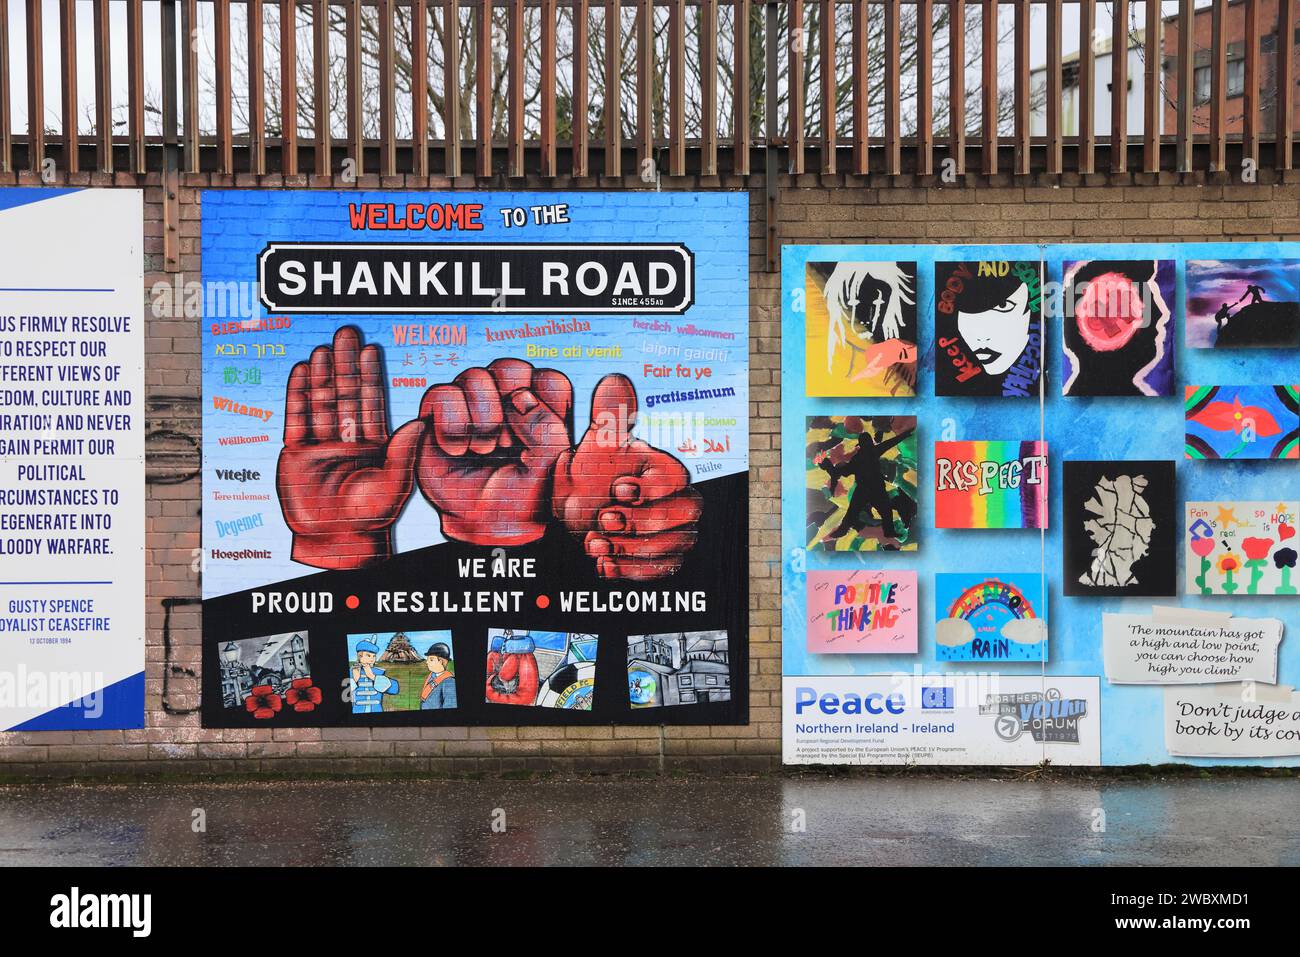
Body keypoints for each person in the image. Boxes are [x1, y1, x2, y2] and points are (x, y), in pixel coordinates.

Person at [350, 638, 399, 714]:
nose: (372, 659)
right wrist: (354, 680)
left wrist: (373, 677)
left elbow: (395, 689)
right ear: (360, 656)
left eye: (374, 656)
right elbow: (343, 695)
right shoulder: (352, 671)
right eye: (368, 656)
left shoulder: (379, 672)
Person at [419, 642, 457, 710]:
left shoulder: (449, 682)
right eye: (427, 659)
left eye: (431, 659)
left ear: (441, 661)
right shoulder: (432, 675)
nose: (427, 662)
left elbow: (450, 706)